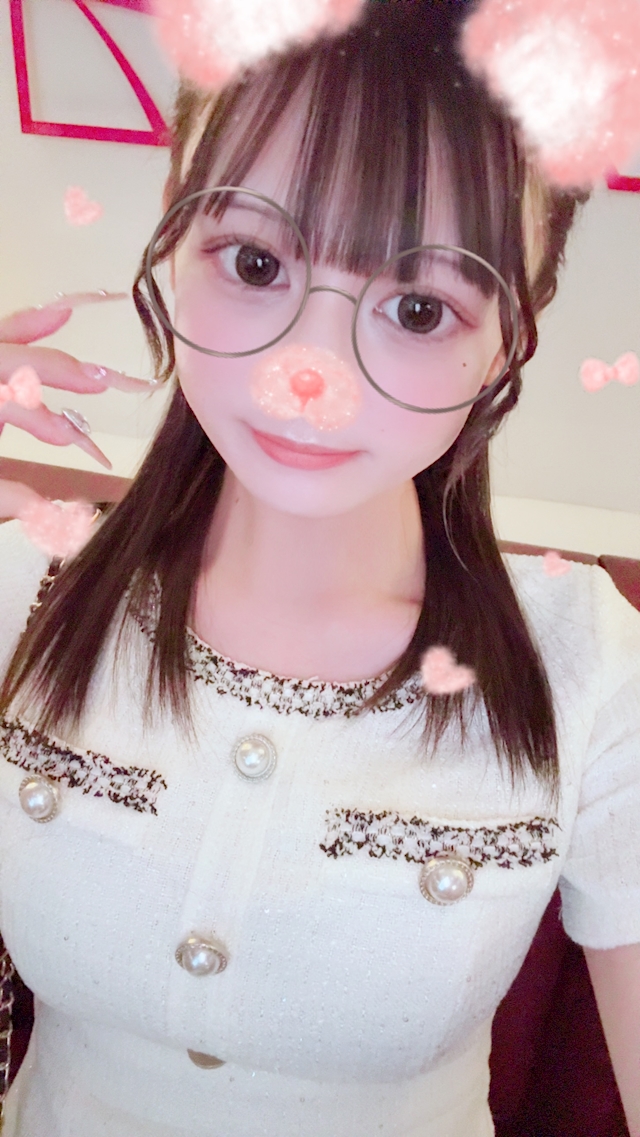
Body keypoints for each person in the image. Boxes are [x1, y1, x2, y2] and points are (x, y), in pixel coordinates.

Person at [0, 3, 639, 1135]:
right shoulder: (24, 582)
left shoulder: (589, 671)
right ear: (173, 232)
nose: (311, 375)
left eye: (419, 308)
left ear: (512, 332)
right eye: (255, 261)